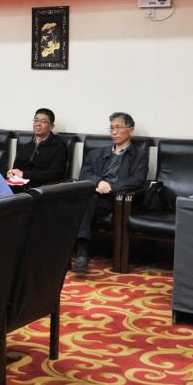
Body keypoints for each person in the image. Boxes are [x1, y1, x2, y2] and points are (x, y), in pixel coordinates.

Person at [74, 112, 148, 272]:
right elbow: (84, 174)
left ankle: (81, 251)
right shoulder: (96, 154)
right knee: (85, 199)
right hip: (93, 194)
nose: (114, 132)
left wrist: (110, 187)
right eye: (112, 128)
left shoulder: (139, 156)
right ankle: (81, 252)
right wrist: (98, 182)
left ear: (131, 130)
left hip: (115, 199)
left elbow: (137, 180)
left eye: (118, 127)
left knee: (83, 202)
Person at [8, 108, 68, 186]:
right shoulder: (26, 146)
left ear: (51, 126)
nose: (38, 124)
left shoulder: (59, 147)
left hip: (42, 188)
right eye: (36, 120)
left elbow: (55, 174)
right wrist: (12, 173)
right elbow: (17, 167)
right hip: (19, 185)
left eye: (43, 121)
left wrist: (24, 174)